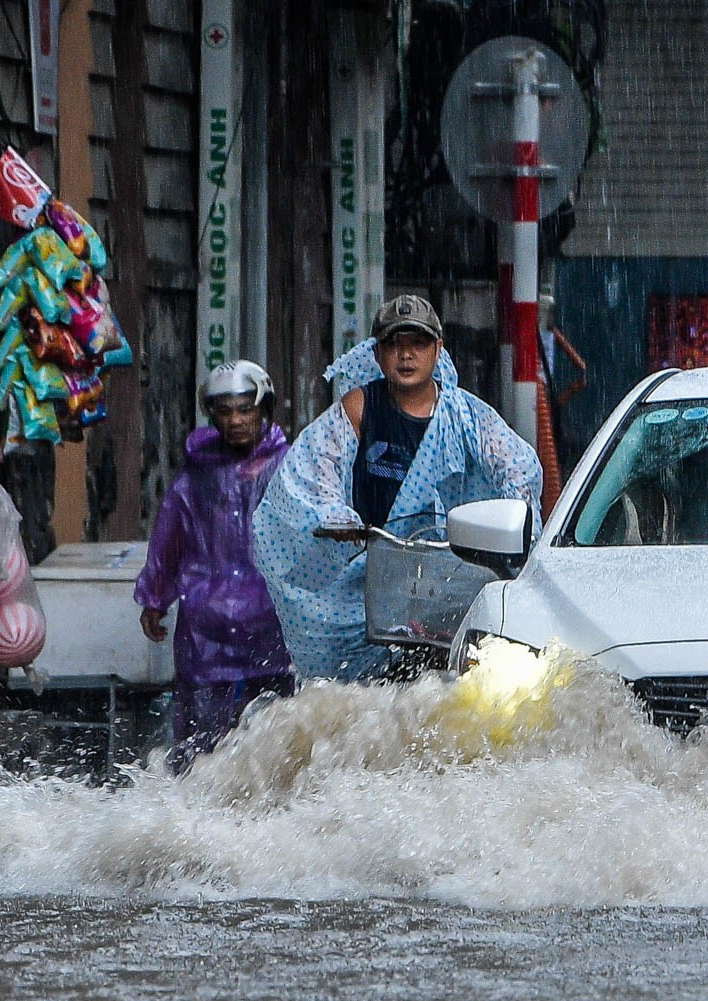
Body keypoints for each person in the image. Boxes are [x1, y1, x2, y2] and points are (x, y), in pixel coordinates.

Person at [252, 295, 542, 680]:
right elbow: (312, 469)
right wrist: (335, 517)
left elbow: (517, 467)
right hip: (367, 585)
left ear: (438, 350)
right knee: (341, 703)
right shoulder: (359, 407)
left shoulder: (467, 416)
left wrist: (518, 517)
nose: (406, 355)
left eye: (418, 343)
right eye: (394, 344)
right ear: (377, 353)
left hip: (446, 581)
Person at [135, 360, 293, 767]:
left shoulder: (288, 467)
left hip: (272, 621)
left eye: (245, 409)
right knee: (199, 741)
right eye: (225, 411)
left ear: (264, 409)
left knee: (276, 731)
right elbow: (170, 534)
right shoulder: (197, 475)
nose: (236, 420)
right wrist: (155, 597)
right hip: (207, 624)